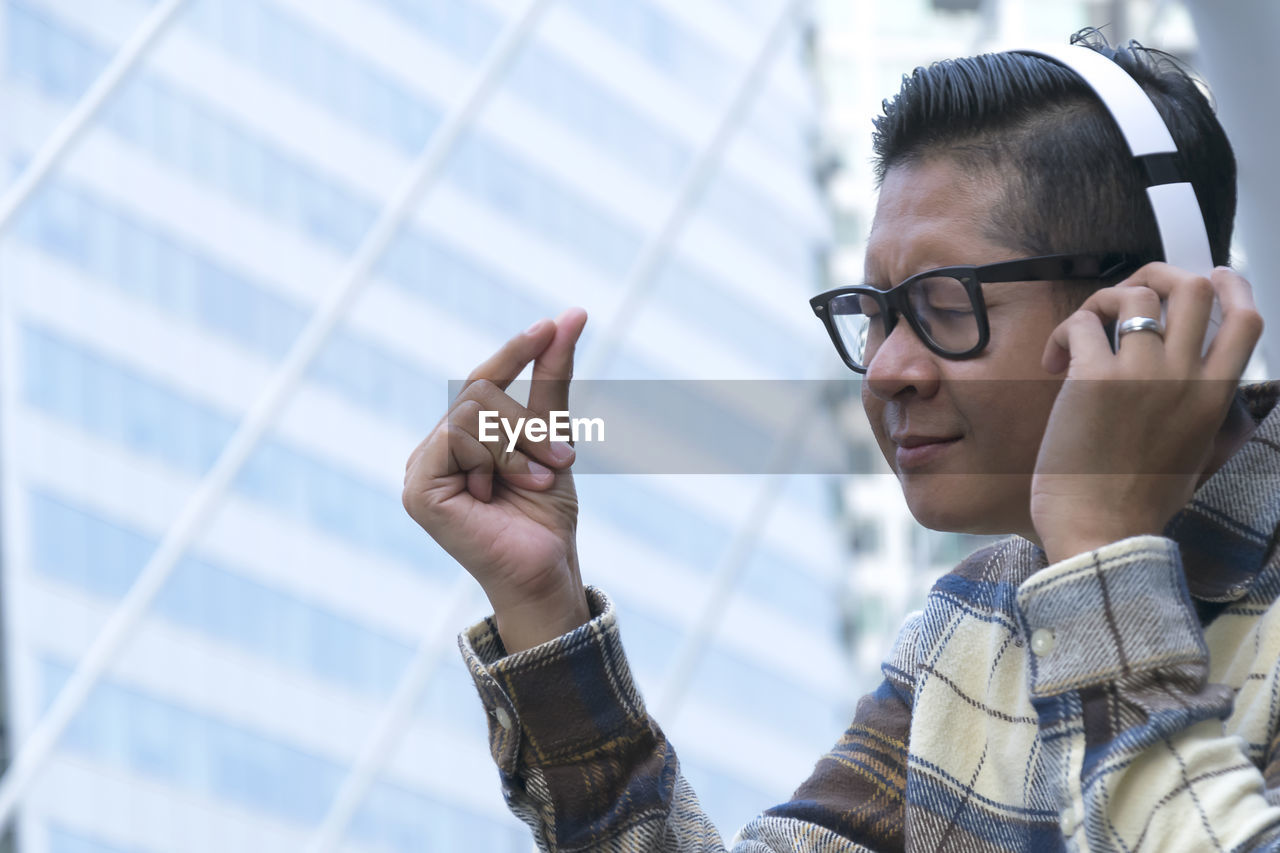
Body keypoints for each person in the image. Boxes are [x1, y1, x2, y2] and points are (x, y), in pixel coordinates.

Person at [403, 31, 1280, 852]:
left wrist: (1100, 554)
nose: (888, 368)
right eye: (874, 315)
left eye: (944, 307)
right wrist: (541, 602)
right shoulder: (973, 620)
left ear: (1154, 310)